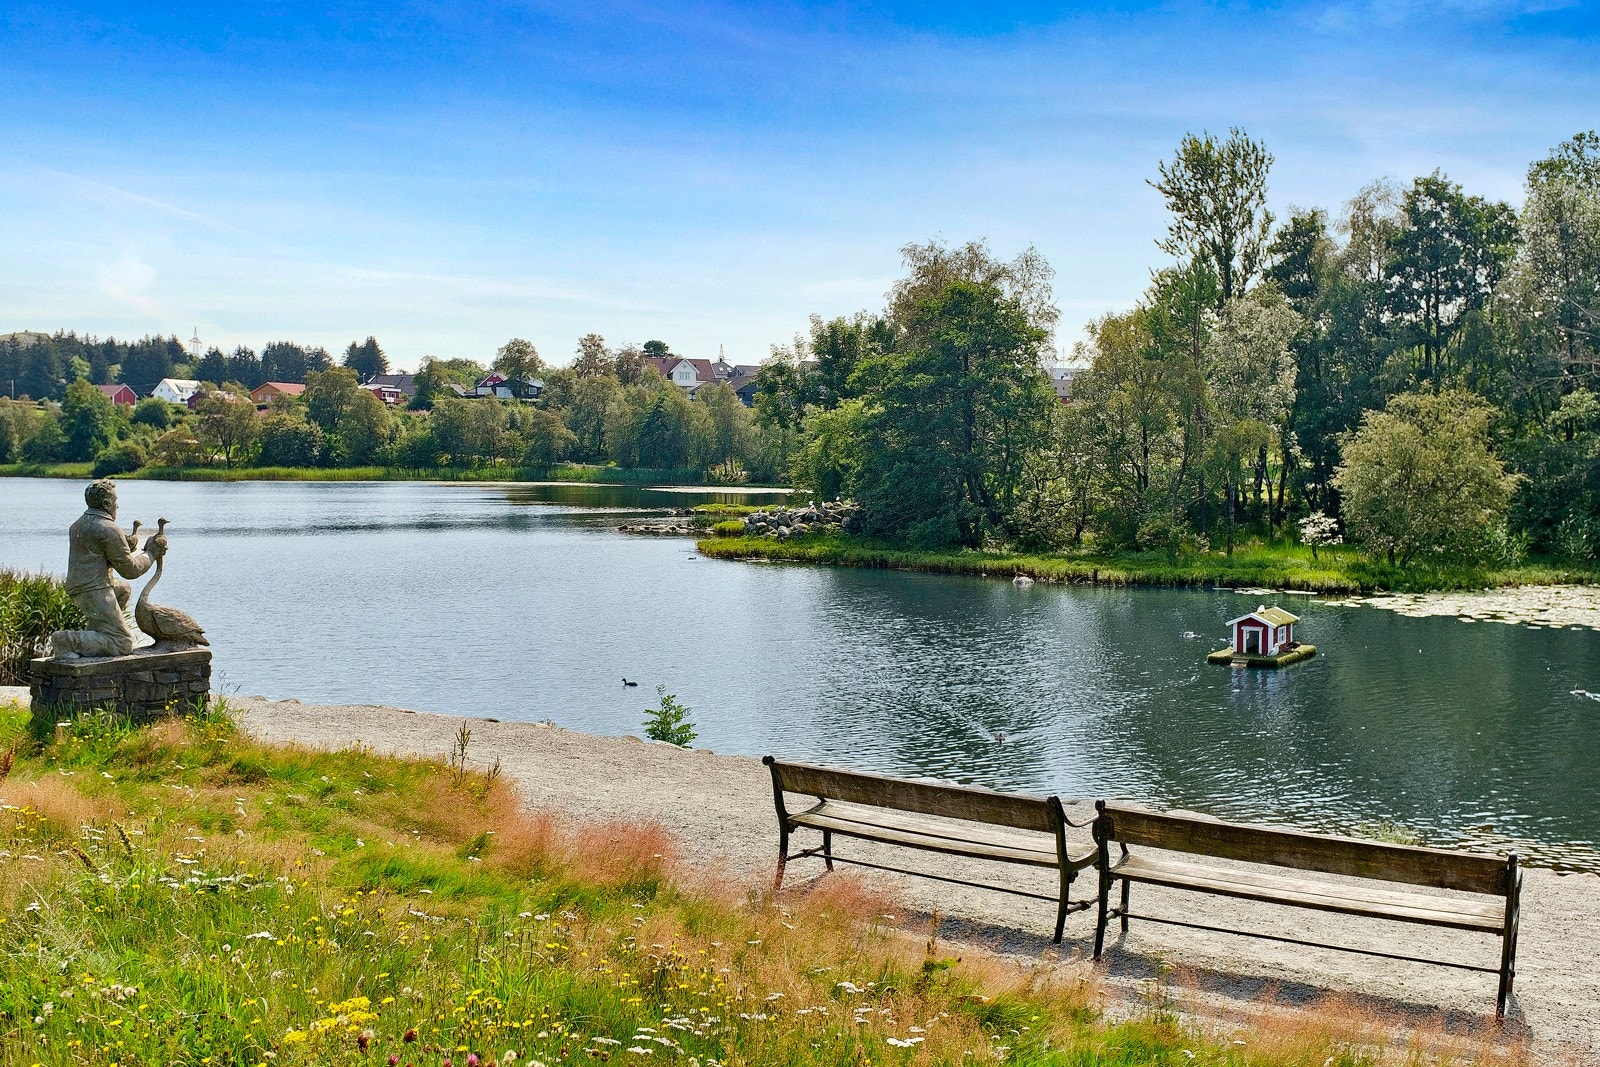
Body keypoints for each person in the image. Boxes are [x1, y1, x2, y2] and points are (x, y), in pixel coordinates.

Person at [49, 479, 153, 658]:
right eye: (116, 502)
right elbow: (131, 570)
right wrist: (150, 554)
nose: (117, 507)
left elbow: (93, 557)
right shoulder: (108, 528)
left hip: (81, 586)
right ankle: (66, 640)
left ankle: (99, 631)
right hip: (93, 589)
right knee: (122, 643)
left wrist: (119, 550)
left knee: (123, 590)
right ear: (106, 504)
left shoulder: (78, 524)